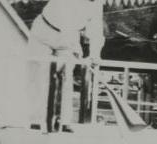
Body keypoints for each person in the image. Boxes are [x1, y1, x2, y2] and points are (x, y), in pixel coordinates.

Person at [27, 0, 105, 129]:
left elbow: (96, 32)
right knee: (40, 78)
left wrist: (95, 55)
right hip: (44, 31)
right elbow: (65, 21)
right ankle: (36, 120)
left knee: (66, 78)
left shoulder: (96, 4)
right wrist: (75, 48)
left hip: (68, 38)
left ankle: (63, 121)